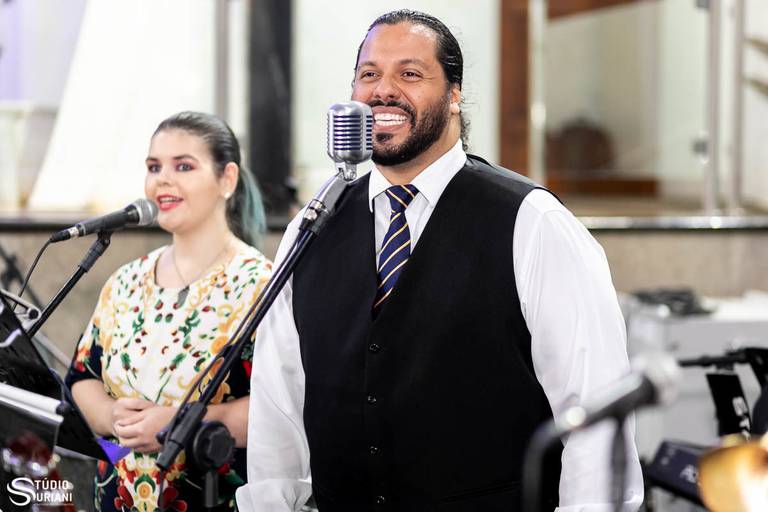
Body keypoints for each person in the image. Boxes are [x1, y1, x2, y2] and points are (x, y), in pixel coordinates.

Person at [237, 10, 643, 512]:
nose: (383, 90)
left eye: (409, 74)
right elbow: (280, 403)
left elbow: (597, 416)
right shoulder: (313, 227)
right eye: (369, 74)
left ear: (455, 96)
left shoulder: (533, 223)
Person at [66, 111, 272, 511]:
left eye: (184, 166)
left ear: (227, 179)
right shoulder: (125, 281)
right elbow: (81, 377)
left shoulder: (261, 285)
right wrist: (111, 415)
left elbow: (282, 409)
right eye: (153, 167)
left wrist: (176, 422)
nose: (163, 179)